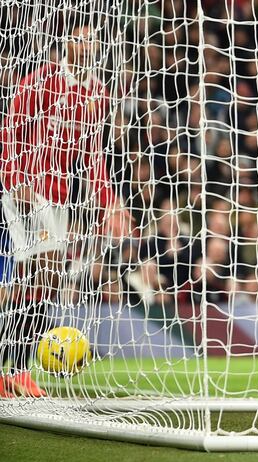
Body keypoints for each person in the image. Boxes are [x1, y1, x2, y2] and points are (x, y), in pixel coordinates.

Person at [0, 24, 132, 396]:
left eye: (93, 39)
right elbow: (10, 134)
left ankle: (15, 368)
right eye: (80, 37)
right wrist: (15, 180)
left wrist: (110, 203)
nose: (88, 44)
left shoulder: (96, 94)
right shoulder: (37, 82)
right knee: (44, 273)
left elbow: (93, 156)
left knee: (40, 283)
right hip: (25, 189)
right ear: (65, 42)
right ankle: (17, 368)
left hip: (57, 197)